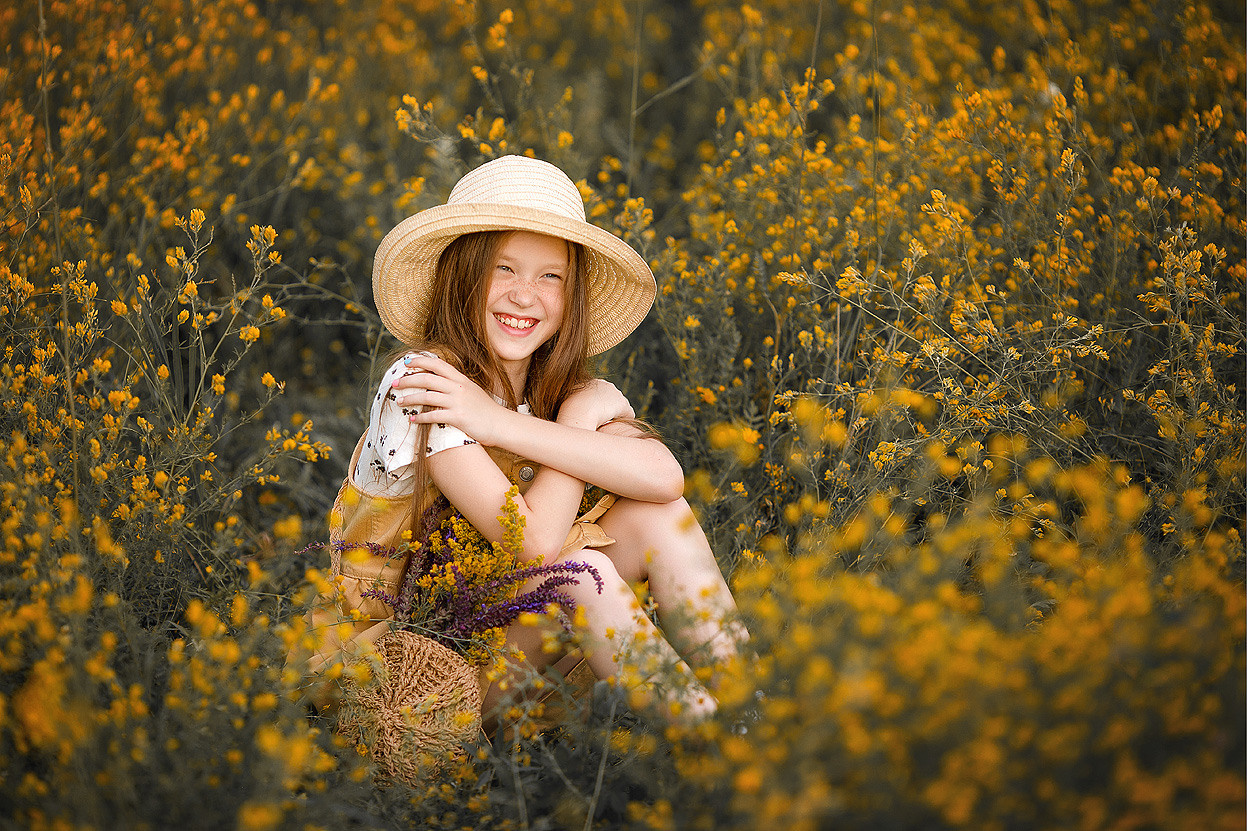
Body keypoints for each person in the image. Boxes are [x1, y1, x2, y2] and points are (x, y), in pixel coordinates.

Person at [310, 155, 744, 730]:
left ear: (571, 296)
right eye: (504, 268)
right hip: (411, 682)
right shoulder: (424, 383)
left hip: (501, 649)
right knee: (574, 574)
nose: (524, 295)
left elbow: (665, 480)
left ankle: (752, 712)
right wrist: (562, 425)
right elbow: (535, 545)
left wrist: (512, 420)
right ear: (462, 275)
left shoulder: (559, 388)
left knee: (659, 517)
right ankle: (717, 746)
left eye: (550, 276)